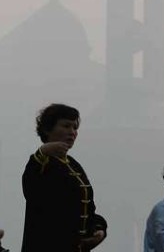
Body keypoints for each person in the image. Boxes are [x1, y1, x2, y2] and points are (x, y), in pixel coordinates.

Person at [21, 103, 108, 251]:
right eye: (66, 126)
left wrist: (98, 229)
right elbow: (30, 185)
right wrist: (43, 152)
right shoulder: (40, 162)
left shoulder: (73, 164)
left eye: (75, 128)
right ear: (48, 129)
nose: (72, 132)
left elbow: (87, 208)